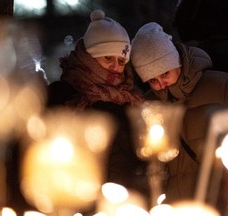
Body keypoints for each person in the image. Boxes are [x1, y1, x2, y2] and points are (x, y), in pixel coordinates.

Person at [130, 22, 228, 206]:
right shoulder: (147, 107)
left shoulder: (225, 88)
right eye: (153, 80)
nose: (161, 84)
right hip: (175, 206)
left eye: (165, 73)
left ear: (175, 62)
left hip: (220, 203)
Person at [47, 9, 150, 210]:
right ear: (90, 56)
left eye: (121, 61)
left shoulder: (131, 98)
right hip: (74, 198)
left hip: (123, 201)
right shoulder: (63, 94)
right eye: (107, 58)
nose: (115, 67)